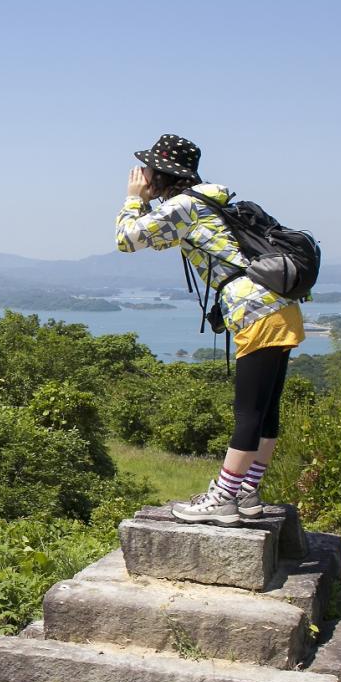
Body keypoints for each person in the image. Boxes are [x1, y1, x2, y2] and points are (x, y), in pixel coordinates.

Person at [114, 133, 305, 525]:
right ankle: (247, 492)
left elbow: (127, 239)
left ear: (161, 172)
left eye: (148, 168)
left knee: (248, 411)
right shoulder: (208, 201)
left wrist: (134, 198)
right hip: (279, 309)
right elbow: (162, 239)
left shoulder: (185, 205)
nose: (143, 173)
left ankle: (223, 497)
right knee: (266, 411)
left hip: (257, 312)